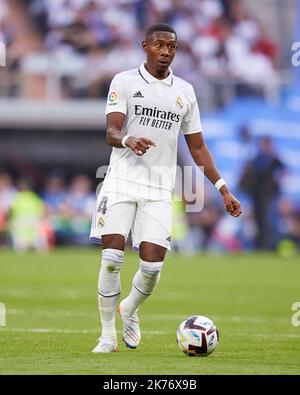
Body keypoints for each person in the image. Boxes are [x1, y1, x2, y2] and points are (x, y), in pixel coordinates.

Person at [89, 23, 241, 353]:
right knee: (113, 259)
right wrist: (129, 139)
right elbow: (112, 132)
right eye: (159, 44)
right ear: (145, 46)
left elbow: (198, 148)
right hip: (120, 181)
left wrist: (223, 188)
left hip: (159, 189)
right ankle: (107, 336)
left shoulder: (185, 91)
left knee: (152, 267)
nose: (166, 51)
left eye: (172, 46)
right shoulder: (125, 81)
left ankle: (128, 308)